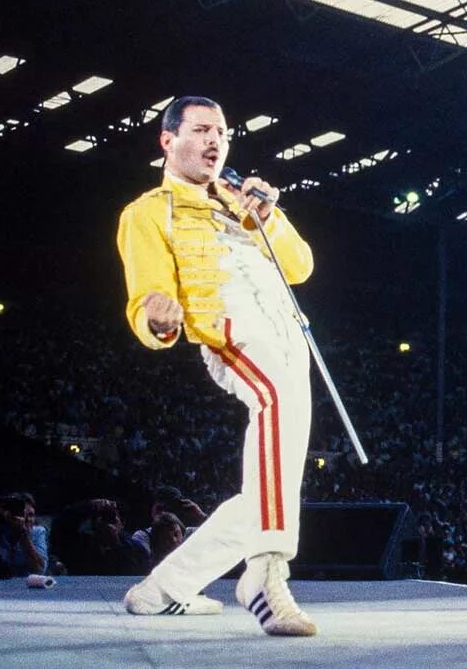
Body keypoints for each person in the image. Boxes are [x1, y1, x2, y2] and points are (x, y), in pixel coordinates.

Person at [116, 96, 317, 636]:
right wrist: (157, 318)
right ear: (167, 139)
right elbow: (148, 297)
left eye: (223, 133)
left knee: (266, 490)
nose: (215, 141)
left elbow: (300, 266)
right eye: (202, 129)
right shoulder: (146, 212)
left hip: (284, 333)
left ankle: (163, 590)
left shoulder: (241, 200)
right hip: (232, 333)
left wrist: (269, 218)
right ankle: (265, 571)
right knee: (275, 402)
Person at [0, 492, 48, 576]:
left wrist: (23, 535)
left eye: (31, 515)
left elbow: (40, 569)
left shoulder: (37, 532)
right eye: (22, 515)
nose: (27, 519)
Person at [131, 486, 207, 556]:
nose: (163, 513)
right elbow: (143, 562)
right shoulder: (143, 536)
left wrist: (201, 515)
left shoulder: (188, 533)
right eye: (160, 508)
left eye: (173, 508)